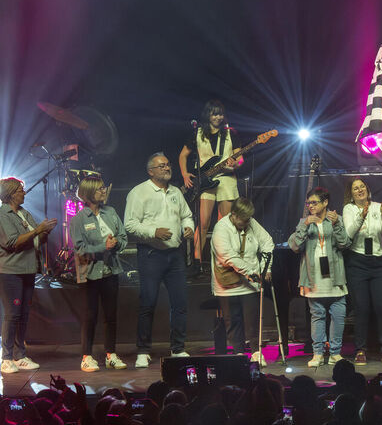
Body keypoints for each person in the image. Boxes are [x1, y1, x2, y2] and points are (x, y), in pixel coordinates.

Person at [125, 152, 195, 368]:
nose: (167, 168)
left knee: (180, 303)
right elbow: (130, 225)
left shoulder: (175, 192)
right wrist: (154, 232)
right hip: (151, 254)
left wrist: (188, 227)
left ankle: (178, 348)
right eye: (162, 165)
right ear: (151, 171)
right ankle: (143, 351)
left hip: (175, 255)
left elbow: (186, 215)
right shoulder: (139, 192)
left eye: (168, 164)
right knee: (148, 302)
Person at [0, 178, 57, 374]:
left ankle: (20, 355)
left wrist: (45, 232)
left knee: (23, 314)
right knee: (13, 314)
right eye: (20, 190)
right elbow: (12, 243)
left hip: (26, 269)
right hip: (9, 271)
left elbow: (35, 238)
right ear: (10, 194)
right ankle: (6, 358)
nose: (24, 193)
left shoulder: (23, 213)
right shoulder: (3, 215)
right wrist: (38, 230)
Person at [69, 174, 128, 372]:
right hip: (90, 273)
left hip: (111, 270)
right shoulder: (78, 219)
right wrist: (104, 245)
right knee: (90, 315)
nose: (104, 190)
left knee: (111, 315)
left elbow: (123, 236)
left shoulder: (110, 212)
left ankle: (110, 354)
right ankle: (87, 357)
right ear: (87, 193)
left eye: (104, 187)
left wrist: (117, 243)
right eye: (99, 188)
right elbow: (79, 248)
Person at [178, 100, 244, 276]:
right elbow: (183, 155)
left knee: (225, 222)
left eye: (221, 114)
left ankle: (225, 260)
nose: (218, 117)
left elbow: (240, 158)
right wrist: (185, 174)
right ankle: (197, 261)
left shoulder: (231, 133)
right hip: (205, 181)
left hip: (227, 180)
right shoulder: (197, 133)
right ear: (208, 115)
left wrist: (235, 164)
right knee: (204, 221)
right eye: (215, 114)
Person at [288, 187, 349, 367]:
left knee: (338, 315)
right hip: (313, 278)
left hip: (334, 277)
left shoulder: (335, 219)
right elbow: (295, 246)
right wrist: (304, 225)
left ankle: (335, 353)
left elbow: (345, 243)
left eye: (314, 202)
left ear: (325, 203)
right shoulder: (304, 222)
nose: (310, 206)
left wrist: (337, 223)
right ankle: (318, 353)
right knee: (317, 316)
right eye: (308, 203)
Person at [211, 197, 275, 365]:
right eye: (243, 219)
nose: (247, 223)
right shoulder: (221, 228)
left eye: (249, 219)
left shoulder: (251, 223)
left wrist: (265, 268)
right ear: (233, 215)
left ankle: (256, 352)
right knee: (232, 321)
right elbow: (228, 256)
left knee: (252, 320)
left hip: (250, 284)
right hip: (227, 285)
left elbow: (268, 243)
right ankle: (239, 353)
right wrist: (251, 272)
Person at [341, 178, 382, 365]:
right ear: (351, 193)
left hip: (378, 262)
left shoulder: (378, 206)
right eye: (355, 188)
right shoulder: (349, 209)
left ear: (367, 189)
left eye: (362, 187)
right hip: (357, 263)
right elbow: (348, 233)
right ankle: (360, 350)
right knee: (361, 308)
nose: (359, 190)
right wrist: (361, 216)